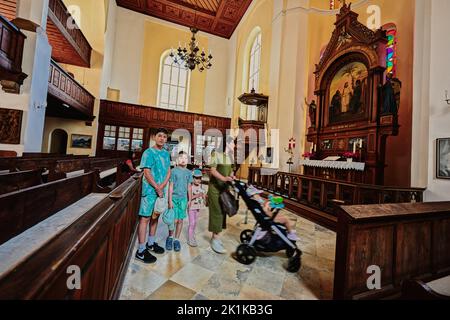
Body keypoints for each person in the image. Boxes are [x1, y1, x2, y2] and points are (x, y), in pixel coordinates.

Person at [135, 128, 171, 264]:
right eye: (160, 136)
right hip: (150, 191)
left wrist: (162, 187)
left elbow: (168, 171)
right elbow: (146, 171)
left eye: (164, 137)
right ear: (155, 138)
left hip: (161, 191)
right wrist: (157, 187)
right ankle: (141, 251)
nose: (162, 138)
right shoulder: (148, 152)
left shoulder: (166, 154)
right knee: (145, 218)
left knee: (155, 217)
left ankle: (150, 243)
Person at [207, 136, 236, 254]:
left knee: (223, 212)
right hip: (214, 189)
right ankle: (215, 239)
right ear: (227, 144)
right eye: (233, 143)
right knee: (217, 212)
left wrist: (232, 176)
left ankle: (217, 236)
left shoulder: (231, 157)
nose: (234, 146)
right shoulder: (216, 154)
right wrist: (224, 178)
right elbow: (212, 171)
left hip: (224, 189)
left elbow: (232, 170)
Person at [167, 151, 192, 252]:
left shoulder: (189, 173)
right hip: (173, 198)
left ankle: (177, 239)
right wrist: (169, 200)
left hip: (183, 200)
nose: (183, 159)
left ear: (188, 161)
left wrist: (190, 199)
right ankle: (170, 237)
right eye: (181, 157)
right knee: (173, 220)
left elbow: (189, 187)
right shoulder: (173, 171)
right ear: (177, 160)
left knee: (180, 220)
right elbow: (171, 186)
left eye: (186, 158)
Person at [187, 169, 207, 247]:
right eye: (196, 178)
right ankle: (190, 238)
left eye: (199, 178)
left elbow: (203, 196)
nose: (198, 180)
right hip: (191, 207)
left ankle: (192, 234)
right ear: (192, 178)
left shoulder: (200, 186)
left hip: (197, 207)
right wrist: (197, 195)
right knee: (191, 223)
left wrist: (204, 198)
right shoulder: (190, 187)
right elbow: (189, 198)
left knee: (195, 222)